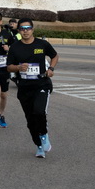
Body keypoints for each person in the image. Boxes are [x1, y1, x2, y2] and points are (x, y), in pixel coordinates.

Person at [6, 18, 58, 158]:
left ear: (33, 29)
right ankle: (39, 145)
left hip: (41, 84)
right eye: (22, 28)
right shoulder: (15, 47)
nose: (25, 31)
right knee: (30, 120)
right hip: (24, 87)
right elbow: (9, 66)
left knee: (39, 111)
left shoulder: (42, 44)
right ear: (19, 31)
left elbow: (54, 56)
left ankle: (44, 133)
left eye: (28, 28)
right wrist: (18, 67)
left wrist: (51, 68)